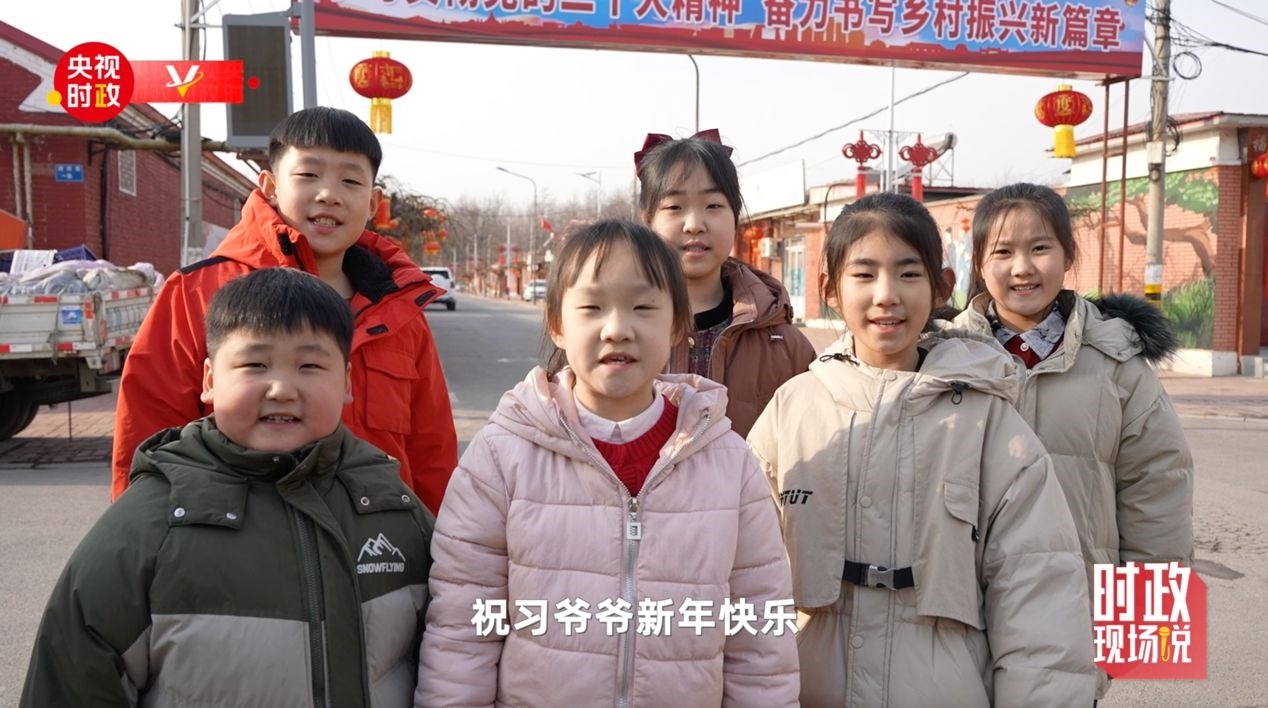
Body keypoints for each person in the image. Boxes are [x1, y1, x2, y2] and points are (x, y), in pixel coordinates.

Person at [416, 220, 799, 707]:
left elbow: (760, 634)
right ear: (557, 324)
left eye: (643, 307)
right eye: (592, 308)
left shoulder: (728, 463)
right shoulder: (500, 456)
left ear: (676, 324)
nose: (617, 329)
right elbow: (462, 631)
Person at [22, 268, 433, 707]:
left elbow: (457, 646)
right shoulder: (149, 525)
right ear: (210, 380)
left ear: (347, 382)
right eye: (255, 365)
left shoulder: (392, 506)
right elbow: (72, 679)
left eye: (310, 366)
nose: (281, 389)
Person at [747, 192, 1097, 707]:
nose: (886, 295)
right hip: (804, 688)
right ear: (830, 290)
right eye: (864, 274)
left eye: (908, 274)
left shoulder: (989, 422)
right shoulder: (793, 408)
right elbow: (743, 571)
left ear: (941, 286)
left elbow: (1037, 588)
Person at [111, 106, 458, 513]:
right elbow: (147, 438)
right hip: (234, 539)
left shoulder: (398, 309)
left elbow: (431, 450)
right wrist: (145, 535)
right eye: (308, 174)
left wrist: (440, 543)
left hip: (378, 539)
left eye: (350, 180)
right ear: (270, 186)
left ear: (373, 203)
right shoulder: (195, 293)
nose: (328, 194)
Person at [951, 182, 1194, 698]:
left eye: (1040, 248)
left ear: (1068, 255)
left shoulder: (1118, 363)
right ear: (979, 263)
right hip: (957, 613)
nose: (1023, 267)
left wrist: (1138, 633)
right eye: (1003, 252)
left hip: (1074, 612)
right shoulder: (943, 356)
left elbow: (1158, 489)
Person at [635, 130, 816, 437]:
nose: (694, 224)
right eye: (674, 207)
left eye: (713, 206)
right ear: (647, 220)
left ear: (735, 216)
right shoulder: (615, 331)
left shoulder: (785, 347)